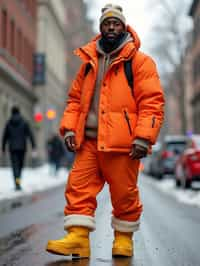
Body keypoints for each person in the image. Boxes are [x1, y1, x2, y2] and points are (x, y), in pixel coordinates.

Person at [46, 4, 165, 258]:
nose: (111, 27)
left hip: (122, 143)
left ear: (124, 26)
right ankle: (78, 238)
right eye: (107, 24)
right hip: (88, 140)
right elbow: (74, 101)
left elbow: (152, 102)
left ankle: (123, 238)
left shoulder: (140, 62)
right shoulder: (88, 63)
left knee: (124, 193)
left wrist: (143, 137)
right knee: (78, 188)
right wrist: (68, 129)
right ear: (101, 28)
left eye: (116, 23)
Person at [2, 106, 36, 190]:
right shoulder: (24, 122)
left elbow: (4, 137)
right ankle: (18, 182)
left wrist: (3, 148)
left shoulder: (8, 123)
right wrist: (33, 146)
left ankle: (17, 183)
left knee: (15, 166)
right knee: (20, 166)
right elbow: (30, 135)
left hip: (12, 148)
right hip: (22, 148)